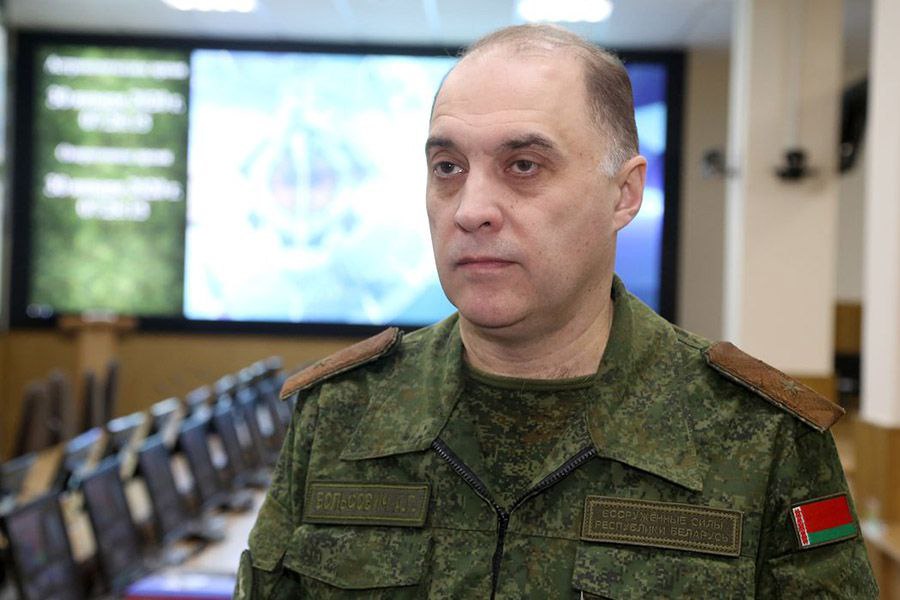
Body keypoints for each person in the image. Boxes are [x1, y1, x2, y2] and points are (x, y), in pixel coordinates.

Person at [235, 24, 878, 598]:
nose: (471, 209)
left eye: (523, 165)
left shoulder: (762, 440)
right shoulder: (341, 415)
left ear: (624, 195)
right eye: (448, 167)